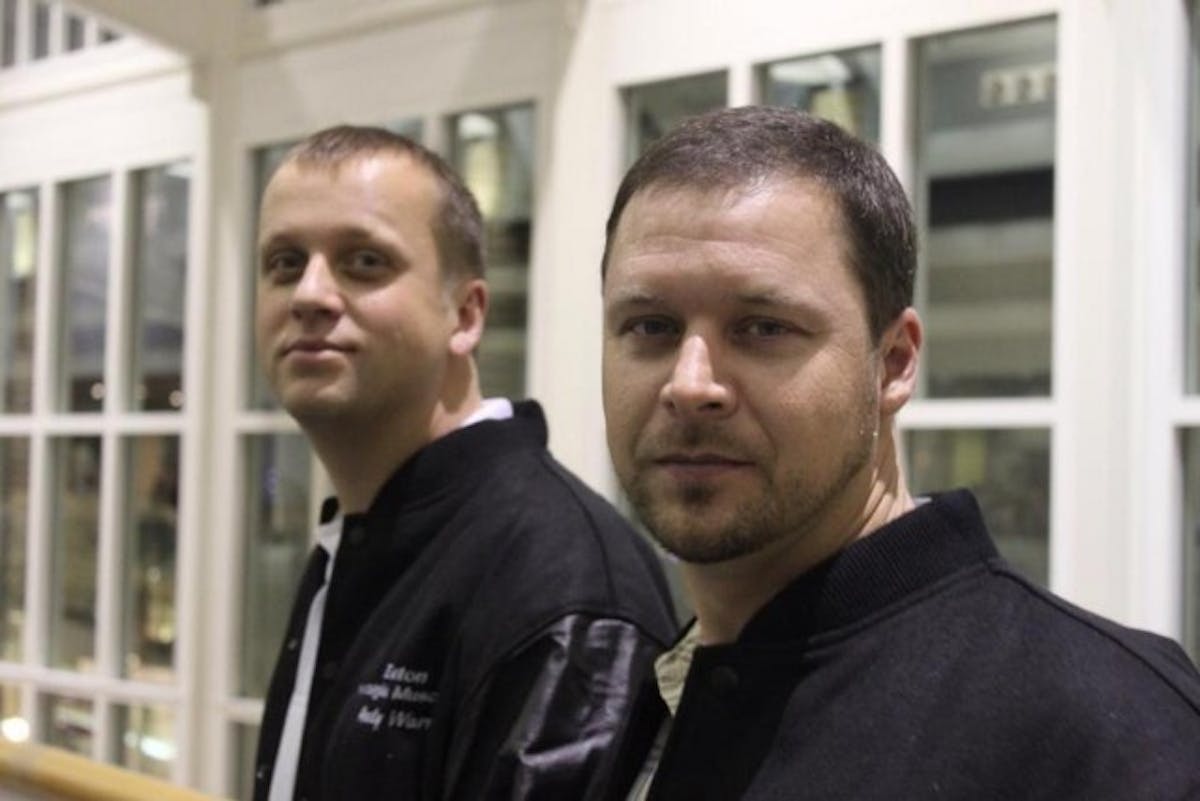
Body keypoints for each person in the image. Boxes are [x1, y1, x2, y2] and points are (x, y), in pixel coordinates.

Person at [596, 106, 1200, 800]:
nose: (690, 383)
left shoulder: (1105, 731)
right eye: (650, 326)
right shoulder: (662, 694)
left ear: (894, 363)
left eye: (763, 327)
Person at [251, 125, 676, 801]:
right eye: (284, 262)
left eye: (364, 261)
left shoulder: (563, 586)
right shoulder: (361, 543)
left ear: (467, 314)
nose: (310, 293)